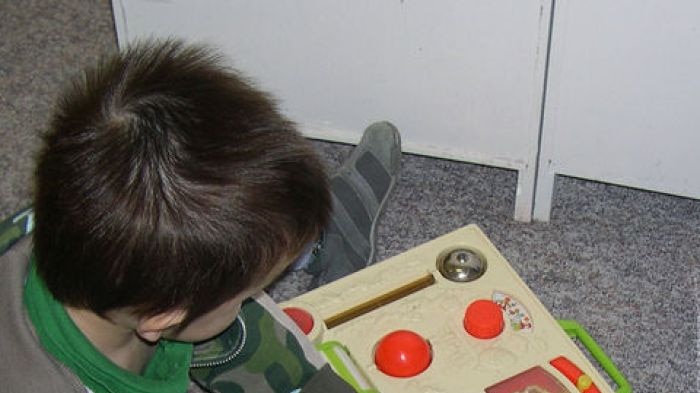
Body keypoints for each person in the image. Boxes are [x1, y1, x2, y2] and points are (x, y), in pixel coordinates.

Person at [0, 40, 401, 393]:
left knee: (217, 275)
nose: (252, 300)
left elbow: (238, 339)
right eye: (245, 295)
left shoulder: (94, 229)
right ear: (164, 317)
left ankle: (307, 241)